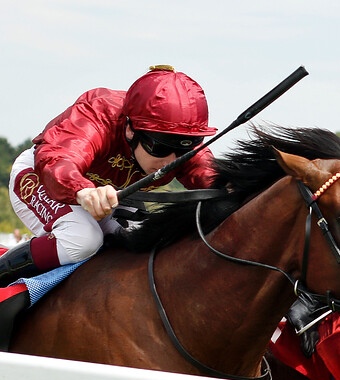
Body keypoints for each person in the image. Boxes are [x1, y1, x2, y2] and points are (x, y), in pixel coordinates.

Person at [0, 66, 216, 286]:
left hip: (111, 197)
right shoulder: (98, 115)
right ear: (131, 129)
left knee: (146, 243)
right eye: (159, 148)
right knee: (83, 239)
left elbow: (215, 177)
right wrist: (82, 190)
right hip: (47, 179)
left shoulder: (180, 147)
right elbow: (59, 159)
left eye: (184, 152)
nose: (172, 161)